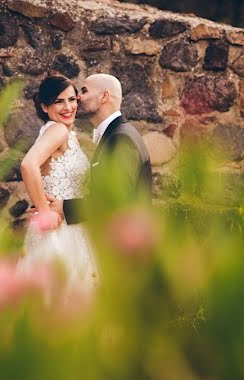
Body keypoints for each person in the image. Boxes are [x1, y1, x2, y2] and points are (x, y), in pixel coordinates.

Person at [18, 72, 97, 301]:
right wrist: (44, 212)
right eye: (58, 101)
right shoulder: (58, 130)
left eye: (72, 100)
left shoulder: (60, 131)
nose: (68, 107)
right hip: (60, 232)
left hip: (70, 227)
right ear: (44, 107)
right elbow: (28, 164)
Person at [72, 73, 152, 224]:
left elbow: (115, 201)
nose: (77, 97)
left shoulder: (122, 138)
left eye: (84, 91)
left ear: (104, 97)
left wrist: (65, 208)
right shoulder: (115, 134)